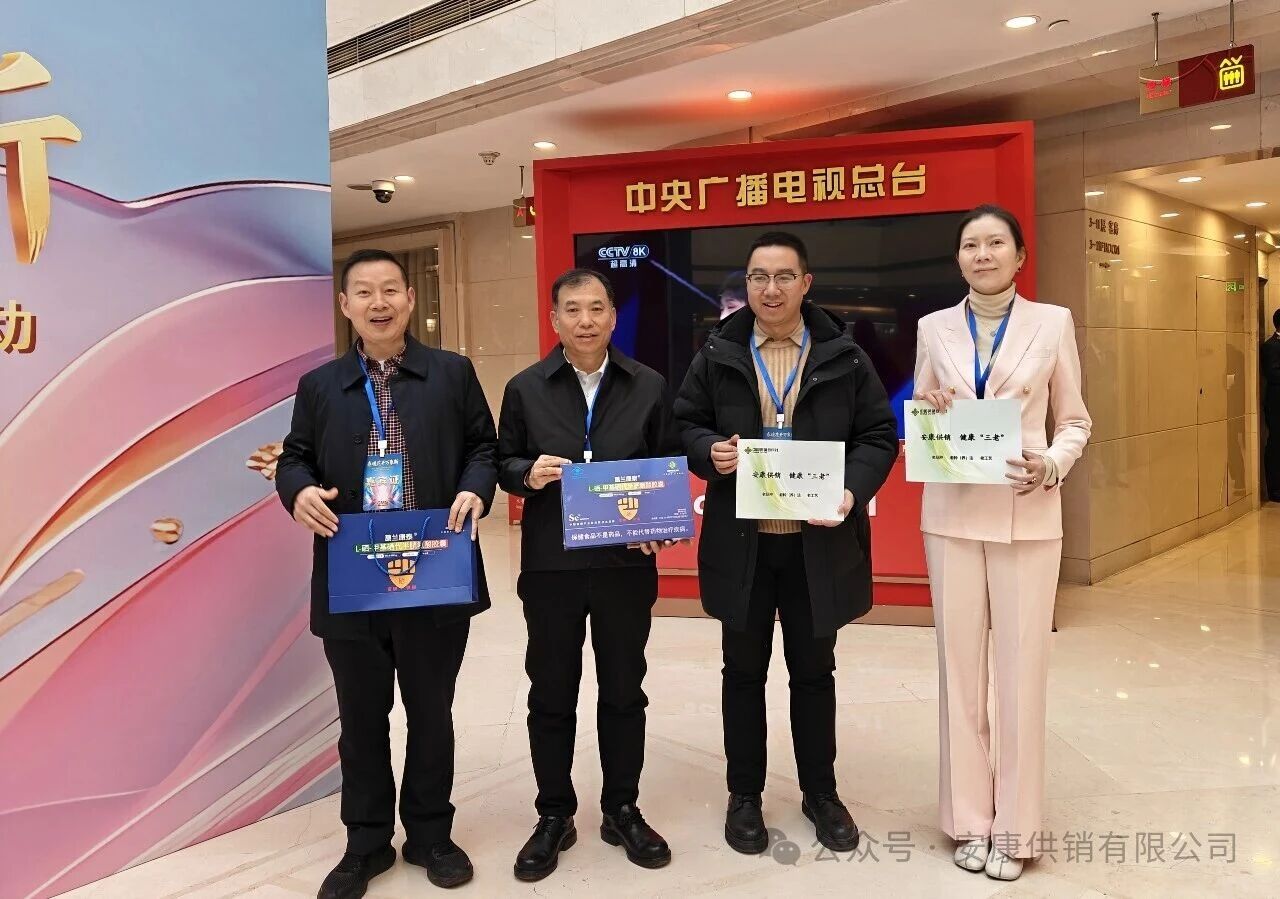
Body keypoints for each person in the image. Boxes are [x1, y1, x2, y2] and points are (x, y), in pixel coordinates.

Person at [276, 249, 498, 898]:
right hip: (354, 578)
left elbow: (484, 446)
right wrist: (298, 490)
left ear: (410, 299)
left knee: (431, 713)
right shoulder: (320, 385)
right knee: (362, 720)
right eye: (365, 292)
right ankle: (366, 842)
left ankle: (430, 834)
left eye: (391, 290)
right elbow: (294, 457)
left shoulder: (452, 373)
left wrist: (475, 487)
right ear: (345, 305)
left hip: (434, 571)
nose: (379, 302)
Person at [674, 231, 898, 856]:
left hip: (816, 544)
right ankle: (744, 794)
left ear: (805, 283)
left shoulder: (844, 355)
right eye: (758, 277)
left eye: (782, 277)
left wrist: (851, 489)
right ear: (745, 285)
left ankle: (820, 793)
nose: (769, 289)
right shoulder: (717, 351)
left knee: (814, 673)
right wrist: (707, 451)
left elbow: (878, 434)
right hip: (742, 543)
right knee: (742, 674)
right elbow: (684, 421)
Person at [913, 205, 1091, 881]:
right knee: (959, 671)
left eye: (995, 243)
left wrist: (1053, 463)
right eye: (970, 244)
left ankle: (1015, 829)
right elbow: (924, 408)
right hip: (953, 509)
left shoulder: (1053, 322)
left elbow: (1074, 420)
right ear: (958, 258)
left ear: (1019, 255)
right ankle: (968, 819)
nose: (982, 254)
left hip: (1026, 508)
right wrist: (929, 407)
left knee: (1022, 672)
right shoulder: (934, 326)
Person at [498, 269, 677, 881]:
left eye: (596, 308)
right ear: (554, 319)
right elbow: (502, 460)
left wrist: (660, 520)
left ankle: (622, 809)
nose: (585, 320)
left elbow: (666, 462)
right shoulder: (525, 388)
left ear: (613, 316)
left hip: (626, 563)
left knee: (625, 689)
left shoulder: (648, 385)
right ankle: (554, 814)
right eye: (572, 309)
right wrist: (528, 473)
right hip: (553, 565)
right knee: (551, 691)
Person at [1263, 308, 1280, 501]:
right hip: (1276, 405)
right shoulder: (1271, 346)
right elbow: (1273, 374)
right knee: (1276, 444)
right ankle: (1275, 489)